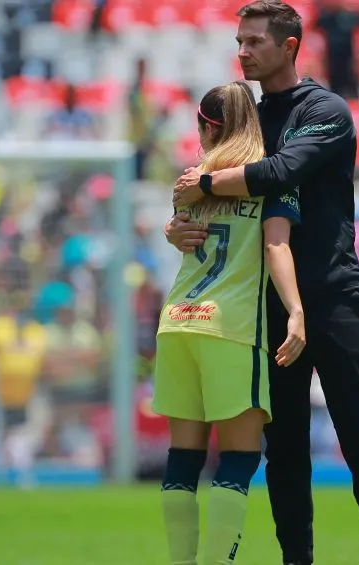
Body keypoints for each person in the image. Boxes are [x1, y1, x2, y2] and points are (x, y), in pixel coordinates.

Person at [166, 3, 359, 564]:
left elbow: (280, 173)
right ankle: (297, 559)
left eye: (253, 41)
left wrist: (201, 182)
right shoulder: (243, 117)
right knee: (286, 448)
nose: (241, 51)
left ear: (289, 46)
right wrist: (180, 227)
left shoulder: (326, 110)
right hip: (265, 304)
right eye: (239, 40)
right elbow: (218, 211)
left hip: (332, 293)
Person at [152, 80, 305, 565]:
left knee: (184, 457)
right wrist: (297, 310)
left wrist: (173, 225)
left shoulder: (191, 181)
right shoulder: (268, 179)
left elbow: (180, 230)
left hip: (177, 321)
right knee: (238, 458)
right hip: (231, 328)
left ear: (205, 126)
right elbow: (275, 246)